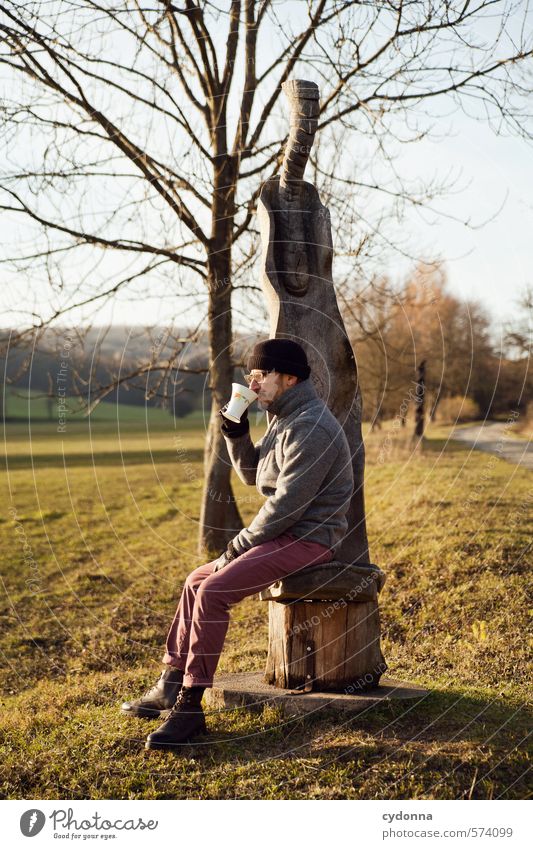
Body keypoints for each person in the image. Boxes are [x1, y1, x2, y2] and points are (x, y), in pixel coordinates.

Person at [121, 339, 354, 750]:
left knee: (213, 591)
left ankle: (191, 707)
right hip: (285, 533)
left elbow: (286, 506)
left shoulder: (312, 426)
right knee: (197, 580)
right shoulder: (284, 417)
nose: (252, 381)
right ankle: (171, 684)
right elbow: (252, 475)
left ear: (289, 378)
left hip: (309, 537)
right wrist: (236, 427)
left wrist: (237, 546)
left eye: (260, 375)